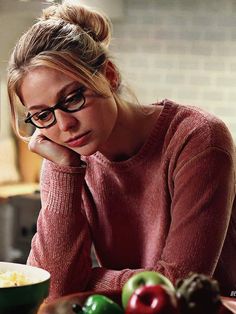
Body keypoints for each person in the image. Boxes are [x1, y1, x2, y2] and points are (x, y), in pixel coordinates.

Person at [7, 1, 236, 301]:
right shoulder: (64, 156)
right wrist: (65, 169)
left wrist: (85, 279)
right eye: (42, 115)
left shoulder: (197, 138)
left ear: (110, 76)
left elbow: (176, 287)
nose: (65, 125)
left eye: (73, 98)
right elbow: (54, 290)